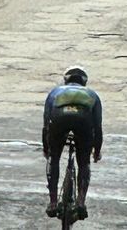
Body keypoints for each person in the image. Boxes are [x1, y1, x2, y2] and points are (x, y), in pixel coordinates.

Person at [43, 65, 102, 221]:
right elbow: (97, 127)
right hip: (84, 121)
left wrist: (47, 148)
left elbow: (46, 124)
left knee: (53, 158)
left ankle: (54, 202)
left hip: (59, 119)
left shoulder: (55, 92)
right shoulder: (92, 94)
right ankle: (81, 202)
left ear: (65, 80)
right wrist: (96, 151)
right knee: (84, 163)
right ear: (84, 82)